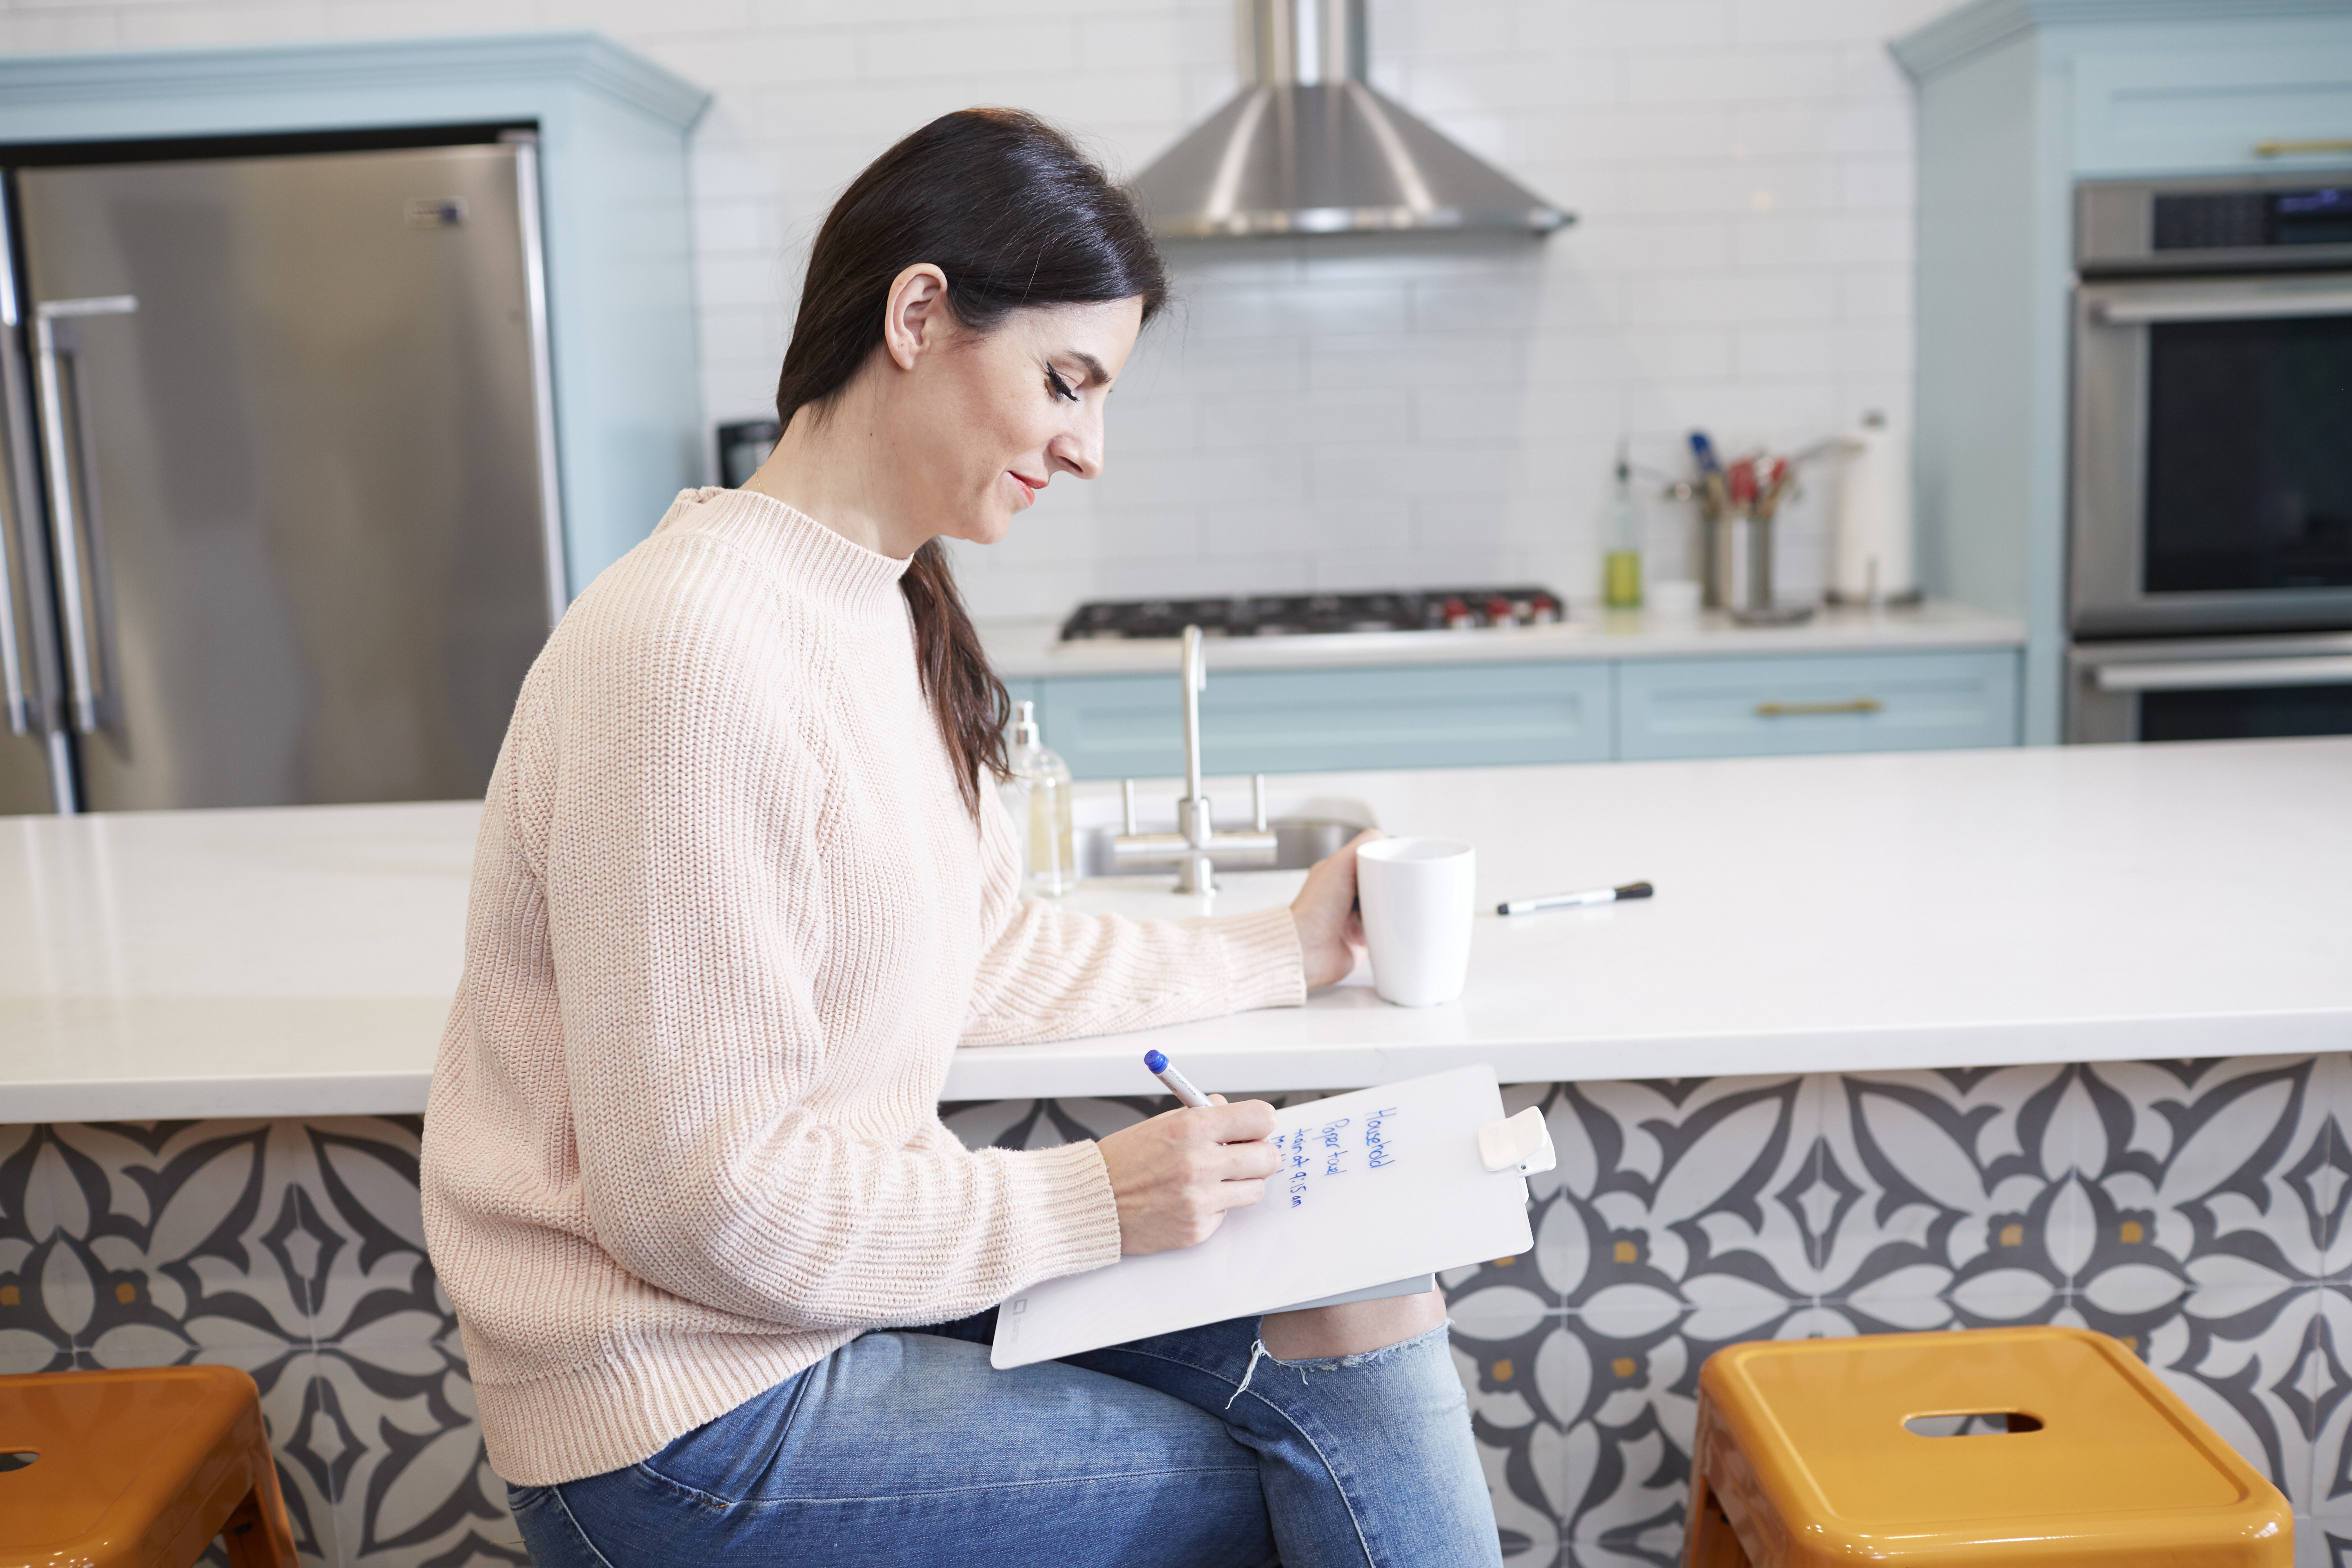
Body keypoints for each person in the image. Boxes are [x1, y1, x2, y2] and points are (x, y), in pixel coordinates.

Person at [419, 107, 1500, 1568]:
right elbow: (699, 1203)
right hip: (688, 1413)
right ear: (919, 314)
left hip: (822, 1302)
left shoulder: (881, 602)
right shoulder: (690, 649)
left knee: (1362, 1300)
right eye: (1067, 382)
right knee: (1302, 1483)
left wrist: (1280, 953)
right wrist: (1092, 1200)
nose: (1089, 448)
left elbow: (978, 950)